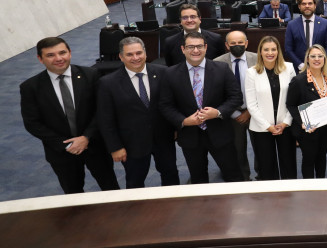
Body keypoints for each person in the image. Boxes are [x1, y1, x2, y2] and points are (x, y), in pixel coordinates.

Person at [20, 37, 120, 194]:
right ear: (40, 59)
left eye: (62, 53)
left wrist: (86, 137)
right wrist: (66, 144)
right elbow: (32, 123)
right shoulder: (30, 87)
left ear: (70, 53)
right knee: (73, 193)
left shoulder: (91, 75)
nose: (59, 58)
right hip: (62, 153)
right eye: (51, 55)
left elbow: (102, 111)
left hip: (95, 146)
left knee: (110, 188)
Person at [159, 31, 244, 183]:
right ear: (182, 49)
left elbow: (236, 97)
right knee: (198, 180)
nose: (195, 50)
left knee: (233, 176)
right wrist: (184, 121)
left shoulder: (222, 69)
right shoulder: (170, 74)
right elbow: (165, 105)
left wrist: (218, 112)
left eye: (199, 46)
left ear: (205, 47)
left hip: (220, 133)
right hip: (190, 137)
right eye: (190, 46)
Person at [97, 37, 179, 188]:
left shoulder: (163, 73)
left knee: (171, 174)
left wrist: (175, 127)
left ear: (145, 54)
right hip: (131, 143)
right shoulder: (108, 83)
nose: (135, 58)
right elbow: (105, 119)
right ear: (121, 57)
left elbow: (172, 104)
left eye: (139, 53)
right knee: (135, 181)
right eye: (129, 54)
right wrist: (115, 147)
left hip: (163, 138)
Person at [244, 36, 297, 180]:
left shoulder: (289, 68)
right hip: (261, 127)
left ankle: (290, 194)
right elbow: (251, 104)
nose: (270, 53)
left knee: (289, 163)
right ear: (260, 52)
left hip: (285, 125)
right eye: (266, 49)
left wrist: (286, 122)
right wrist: (268, 126)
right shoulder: (251, 72)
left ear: (278, 51)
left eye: (273, 49)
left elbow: (294, 99)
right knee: (266, 166)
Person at [214, 31, 258, 181]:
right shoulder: (217, 63)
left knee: (261, 148)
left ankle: (263, 177)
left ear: (246, 43)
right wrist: (234, 113)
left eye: (240, 43)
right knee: (237, 150)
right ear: (227, 45)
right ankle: (243, 179)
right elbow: (217, 93)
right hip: (232, 115)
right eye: (233, 43)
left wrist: (250, 111)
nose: (237, 46)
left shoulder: (258, 59)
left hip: (256, 112)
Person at [286, 44, 327, 179]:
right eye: (313, 56)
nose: (317, 59)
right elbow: (290, 104)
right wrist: (303, 122)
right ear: (307, 59)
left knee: (322, 157)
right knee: (309, 159)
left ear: (325, 59)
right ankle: (309, 189)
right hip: (307, 130)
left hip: (326, 128)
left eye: (320, 56)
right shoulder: (298, 80)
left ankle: (320, 185)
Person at [284, 0, 327, 71]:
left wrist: (318, 62)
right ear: (299, 6)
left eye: (310, 3)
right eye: (304, 4)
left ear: (315, 5)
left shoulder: (325, 23)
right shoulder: (291, 25)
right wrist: (301, 65)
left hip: (321, 67)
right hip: (299, 69)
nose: (307, 6)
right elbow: (288, 49)